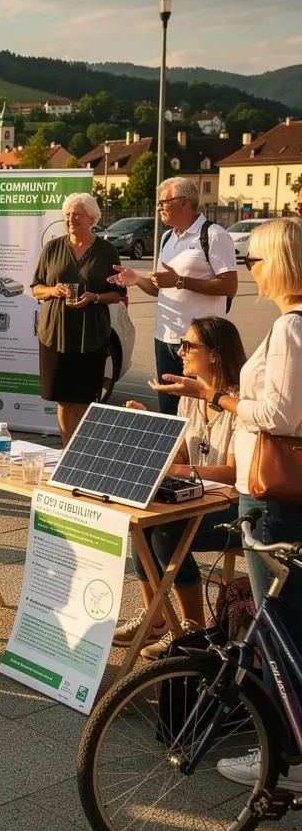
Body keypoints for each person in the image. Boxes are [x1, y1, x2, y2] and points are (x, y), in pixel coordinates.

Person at [151, 218, 302, 790]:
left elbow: (280, 417)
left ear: (280, 264)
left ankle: (285, 759)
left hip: (271, 496)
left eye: (255, 261)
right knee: (288, 625)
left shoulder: (290, 328)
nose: (249, 271)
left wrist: (216, 396)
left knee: (281, 628)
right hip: (278, 494)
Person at [114, 316, 245, 658]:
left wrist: (182, 470)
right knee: (141, 523)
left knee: (166, 532)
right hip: (200, 497)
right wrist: (153, 426)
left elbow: (232, 473)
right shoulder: (192, 395)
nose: (180, 351)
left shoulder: (239, 402)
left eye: (189, 345)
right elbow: (185, 451)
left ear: (215, 354)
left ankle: (193, 629)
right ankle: (157, 618)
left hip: (234, 506)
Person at [109, 177, 237, 415]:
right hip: (165, 339)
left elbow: (230, 286)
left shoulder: (214, 235)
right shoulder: (167, 238)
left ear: (183, 203)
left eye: (162, 202)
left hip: (201, 343)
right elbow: (160, 289)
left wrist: (180, 280)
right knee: (169, 410)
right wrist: (137, 279)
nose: (158, 208)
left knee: (202, 410)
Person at [30, 193, 125, 444]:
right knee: (63, 399)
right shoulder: (52, 247)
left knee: (84, 400)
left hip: (90, 334)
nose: (71, 219)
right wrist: (53, 290)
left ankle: (79, 452)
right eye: (68, 215)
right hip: (56, 333)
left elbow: (118, 293)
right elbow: (35, 287)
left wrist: (95, 297)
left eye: (77, 215)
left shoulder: (107, 251)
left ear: (92, 218)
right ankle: (65, 449)